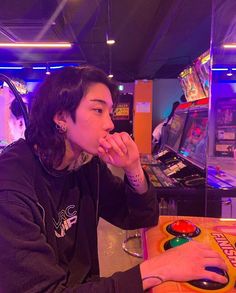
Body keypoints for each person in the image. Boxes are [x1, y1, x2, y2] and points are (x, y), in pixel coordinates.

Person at [0, 66, 228, 292]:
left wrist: (133, 167)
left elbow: (138, 217)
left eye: (109, 112)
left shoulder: (85, 164)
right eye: (98, 110)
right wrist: (155, 269)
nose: (110, 124)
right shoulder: (11, 188)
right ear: (61, 117)